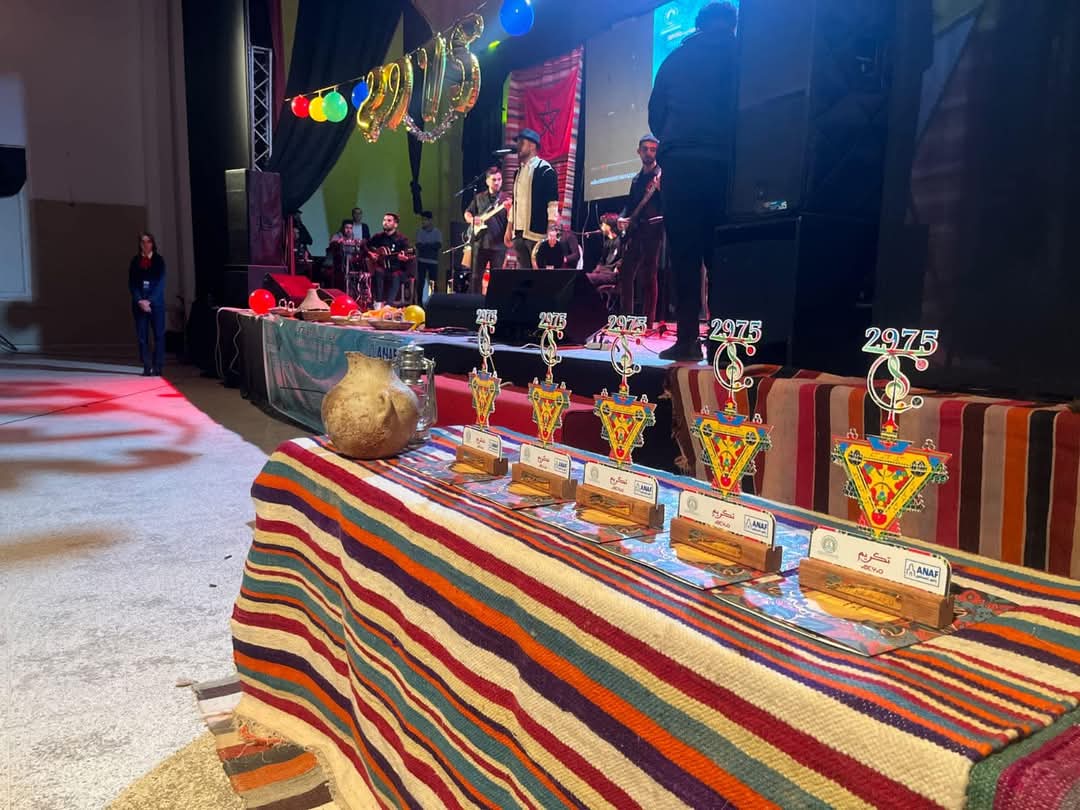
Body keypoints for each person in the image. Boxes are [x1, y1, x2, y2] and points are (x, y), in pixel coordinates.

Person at [648, 1, 738, 360]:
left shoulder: (674, 60)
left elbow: (656, 117)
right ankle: (723, 343)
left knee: (685, 256)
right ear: (731, 24)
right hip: (726, 163)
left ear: (699, 25)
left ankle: (686, 340)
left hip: (681, 163)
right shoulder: (741, 54)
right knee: (722, 256)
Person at [618, 134, 663, 326]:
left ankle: (648, 322)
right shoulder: (636, 180)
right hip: (636, 231)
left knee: (649, 274)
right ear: (639, 151)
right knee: (626, 272)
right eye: (645, 149)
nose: (649, 153)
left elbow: (670, 203)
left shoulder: (662, 176)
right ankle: (626, 318)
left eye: (653, 149)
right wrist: (621, 217)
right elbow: (629, 205)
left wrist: (662, 189)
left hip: (653, 229)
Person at [505, 128, 559, 268]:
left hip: (537, 234)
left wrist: (551, 229)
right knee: (524, 275)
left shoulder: (545, 169)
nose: (518, 146)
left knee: (539, 274)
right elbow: (515, 202)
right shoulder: (518, 172)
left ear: (532, 145)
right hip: (518, 234)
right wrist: (509, 228)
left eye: (521, 142)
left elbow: (552, 204)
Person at [464, 166, 509, 292]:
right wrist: (472, 219)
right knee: (475, 278)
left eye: (499, 179)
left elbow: (512, 220)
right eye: (494, 180)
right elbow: (467, 213)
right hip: (480, 243)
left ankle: (494, 302)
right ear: (487, 181)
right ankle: (475, 301)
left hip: (498, 245)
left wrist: (510, 210)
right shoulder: (479, 197)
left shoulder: (506, 198)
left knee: (497, 280)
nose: (497, 182)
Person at [128, 232, 166, 376]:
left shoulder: (159, 260)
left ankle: (158, 366)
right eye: (143, 242)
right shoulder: (135, 261)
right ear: (139, 244)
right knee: (142, 337)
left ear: (152, 243)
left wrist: (149, 301)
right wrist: (140, 300)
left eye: (148, 241)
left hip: (156, 304)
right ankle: (146, 365)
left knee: (159, 335)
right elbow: (132, 283)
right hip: (139, 305)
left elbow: (161, 283)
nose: (145, 244)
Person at [367, 213, 415, 303]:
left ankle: (389, 305)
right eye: (384, 220)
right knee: (378, 271)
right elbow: (365, 245)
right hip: (384, 269)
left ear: (395, 224)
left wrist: (404, 257)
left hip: (397, 269)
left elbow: (408, 253)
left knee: (395, 275)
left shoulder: (402, 239)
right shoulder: (378, 237)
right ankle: (378, 303)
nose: (385, 222)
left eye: (389, 220)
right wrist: (370, 253)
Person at [585, 214, 624, 291]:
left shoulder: (621, 241)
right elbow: (602, 260)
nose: (601, 227)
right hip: (603, 272)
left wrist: (617, 267)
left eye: (603, 224)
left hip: (613, 275)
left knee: (587, 278)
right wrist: (597, 269)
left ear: (609, 226)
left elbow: (624, 258)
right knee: (584, 277)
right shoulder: (607, 242)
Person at [414, 210, 442, 304]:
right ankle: (419, 303)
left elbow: (438, 245)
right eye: (422, 220)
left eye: (425, 220)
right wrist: (430, 245)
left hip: (433, 262)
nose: (423, 222)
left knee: (433, 282)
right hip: (421, 261)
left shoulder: (437, 232)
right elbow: (419, 246)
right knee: (420, 283)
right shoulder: (419, 231)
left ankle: (434, 302)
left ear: (430, 220)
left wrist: (425, 245)